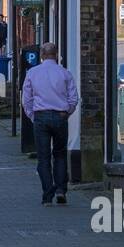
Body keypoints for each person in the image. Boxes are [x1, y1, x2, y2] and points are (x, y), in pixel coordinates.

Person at [21, 41, 78, 205]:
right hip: (60, 116)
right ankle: (61, 190)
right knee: (60, 155)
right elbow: (73, 98)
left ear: (42, 55)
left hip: (41, 116)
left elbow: (26, 99)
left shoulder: (32, 73)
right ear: (56, 54)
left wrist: (33, 116)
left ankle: (47, 195)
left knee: (43, 158)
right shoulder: (65, 73)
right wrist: (66, 113)